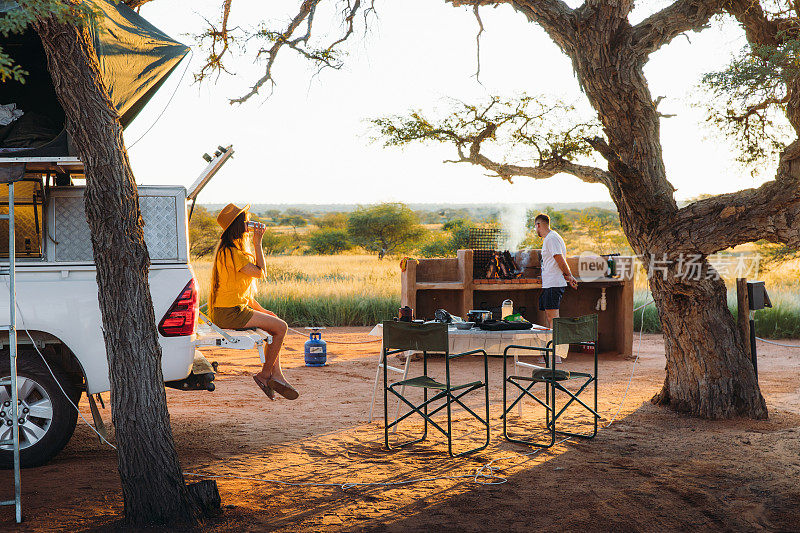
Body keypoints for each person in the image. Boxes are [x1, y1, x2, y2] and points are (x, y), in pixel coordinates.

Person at [209, 203, 298, 401]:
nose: (249, 225)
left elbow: (243, 292)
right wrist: (258, 242)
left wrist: (263, 311)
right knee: (281, 327)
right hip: (230, 313)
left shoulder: (229, 250)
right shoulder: (233, 252)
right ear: (238, 226)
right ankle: (265, 375)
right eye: (246, 221)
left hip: (231, 309)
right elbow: (260, 272)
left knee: (273, 323)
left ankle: (277, 375)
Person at [534, 213, 578, 327]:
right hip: (550, 283)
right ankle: (553, 343)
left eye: (535, 227)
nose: (535, 230)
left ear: (538, 225)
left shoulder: (551, 238)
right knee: (550, 318)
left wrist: (570, 275)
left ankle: (557, 345)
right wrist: (568, 276)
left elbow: (559, 258)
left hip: (553, 284)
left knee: (553, 319)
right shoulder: (551, 238)